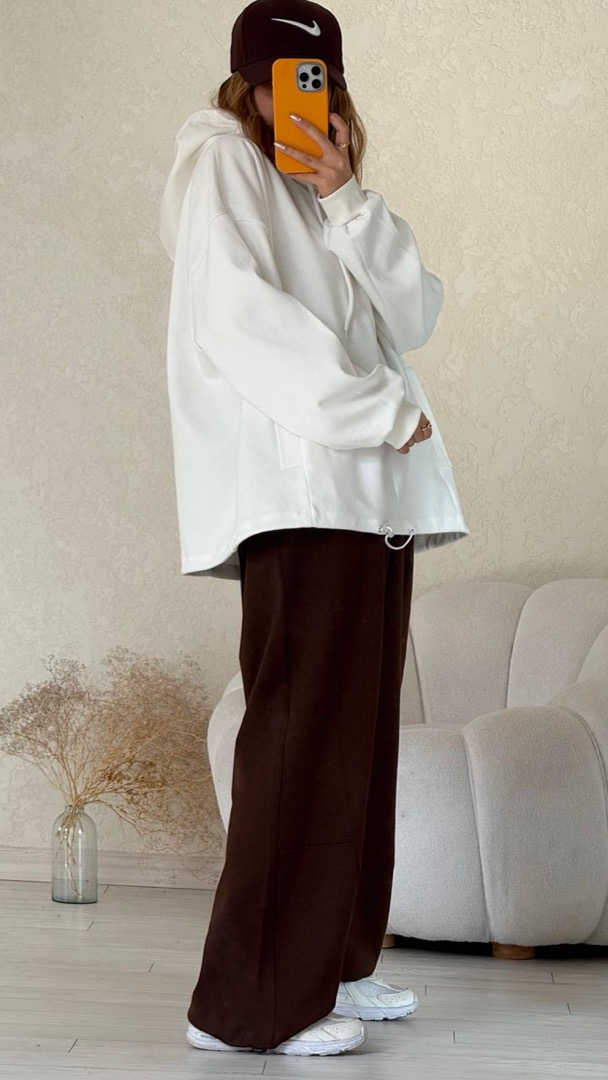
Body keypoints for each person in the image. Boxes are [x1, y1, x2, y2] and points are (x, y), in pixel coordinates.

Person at [159, 0, 469, 1058]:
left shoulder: (322, 188)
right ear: (243, 82)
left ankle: (332, 964)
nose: (300, 94)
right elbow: (237, 322)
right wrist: (378, 412)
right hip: (305, 495)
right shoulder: (223, 168)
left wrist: (346, 199)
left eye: (318, 77)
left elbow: (413, 315)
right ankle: (247, 1007)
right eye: (280, 78)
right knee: (298, 744)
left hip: (370, 499)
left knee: (353, 745)